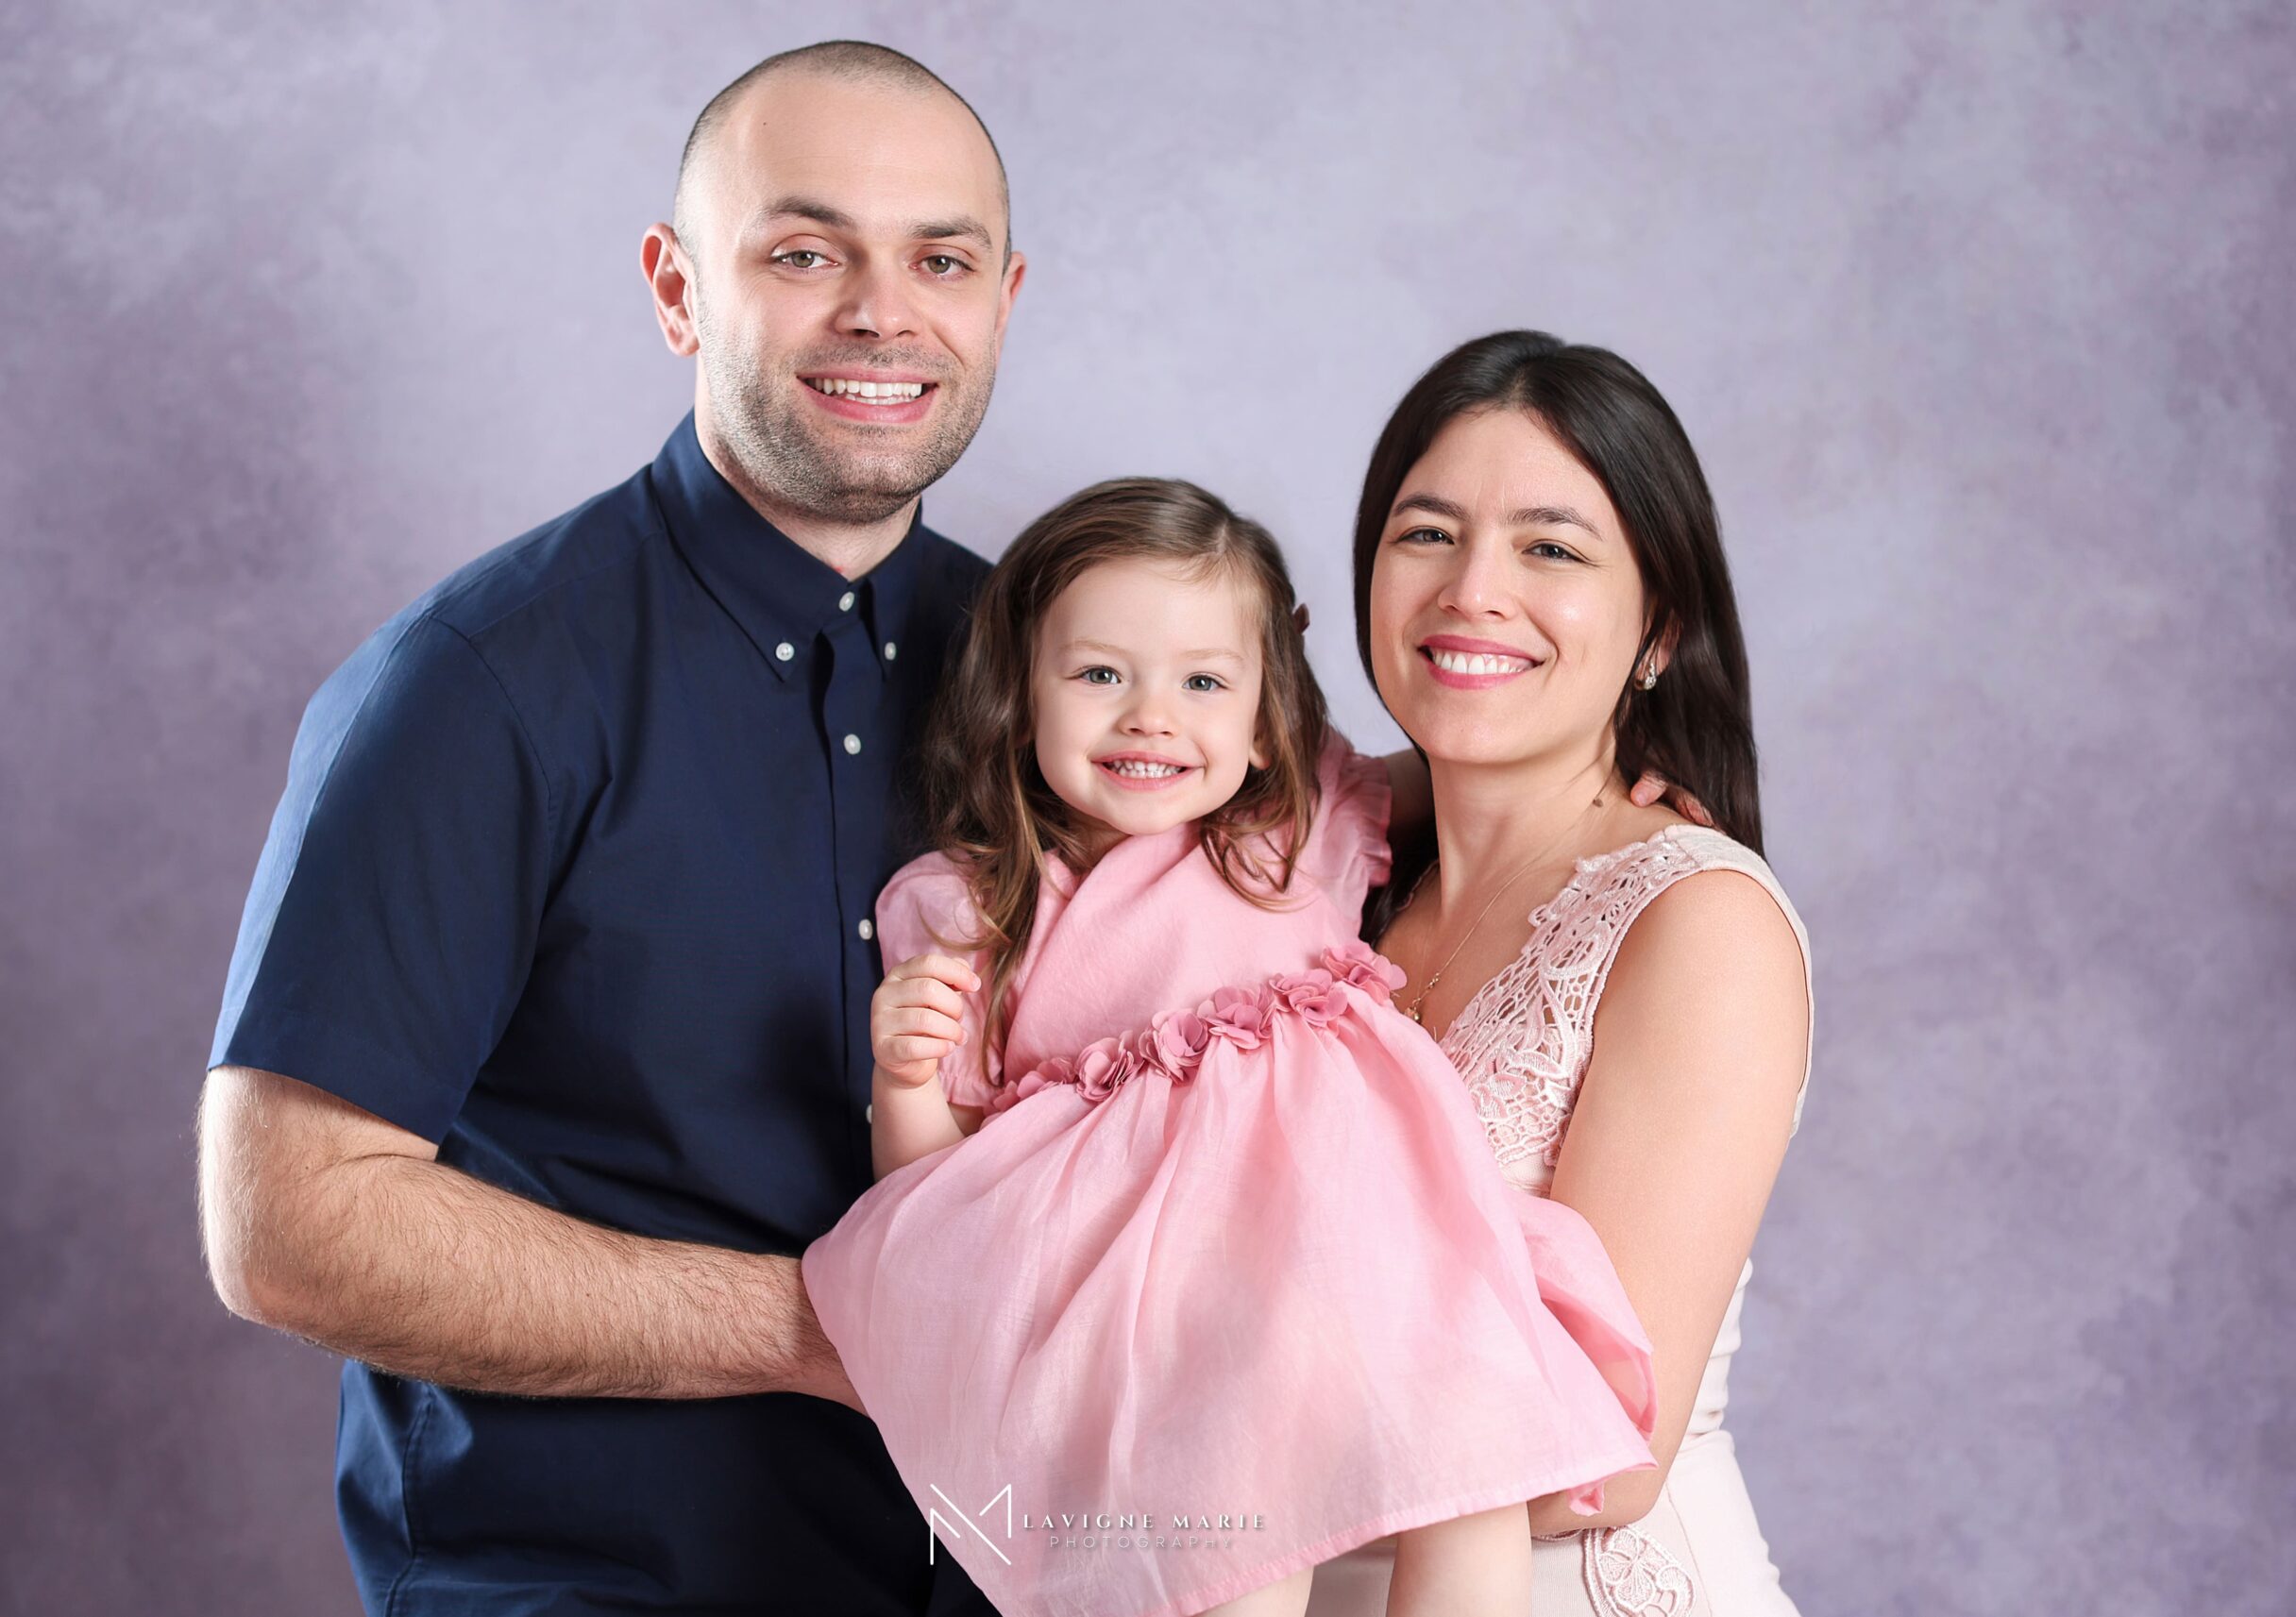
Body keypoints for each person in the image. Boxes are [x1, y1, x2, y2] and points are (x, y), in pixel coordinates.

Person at [194, 42, 1028, 1614]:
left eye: (941, 257)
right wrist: (823, 1326)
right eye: (804, 251)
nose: (882, 310)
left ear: (1004, 296)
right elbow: (291, 1222)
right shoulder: (478, 687)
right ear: (676, 288)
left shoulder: (1048, 670)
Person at [802, 477, 1665, 1617]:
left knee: (1475, 1473)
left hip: (1360, 1242)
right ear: (1018, 698)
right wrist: (905, 1080)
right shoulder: (970, 908)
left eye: (1204, 682)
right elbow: (934, 1203)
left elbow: (1481, 780)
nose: (1153, 717)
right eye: (1101, 674)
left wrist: (1589, 789)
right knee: (1231, 1540)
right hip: (1161, 1308)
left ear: (1265, 723)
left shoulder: (1293, 824)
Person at [1301, 332, 1815, 1612]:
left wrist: (1168, 1454)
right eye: (1426, 534)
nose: (1474, 590)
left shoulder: (1695, 919)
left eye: (1550, 548)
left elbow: (1603, 1446)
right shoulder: (1322, 883)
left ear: (1659, 631)